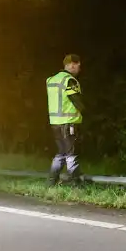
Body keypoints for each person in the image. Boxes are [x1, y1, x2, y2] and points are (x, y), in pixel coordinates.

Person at [46, 54, 85, 186]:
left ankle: (51, 182)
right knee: (71, 154)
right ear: (72, 65)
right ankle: (77, 184)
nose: (79, 69)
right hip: (69, 122)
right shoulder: (69, 80)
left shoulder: (51, 80)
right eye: (78, 66)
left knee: (61, 153)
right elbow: (76, 101)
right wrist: (85, 111)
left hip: (55, 123)